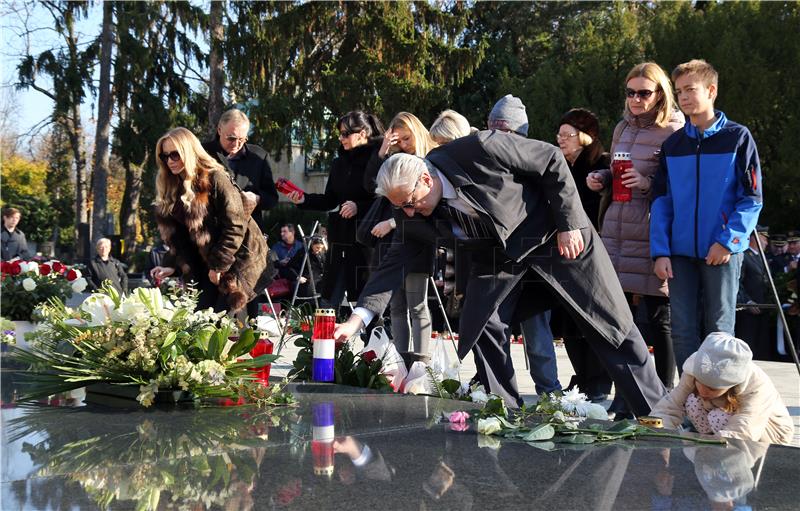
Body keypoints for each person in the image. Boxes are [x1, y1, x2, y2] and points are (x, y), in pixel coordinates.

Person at [334, 96, 666, 415]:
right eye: (399, 207)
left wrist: (570, 224)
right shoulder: (414, 212)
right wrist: (356, 320)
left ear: (425, 177)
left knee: (607, 323)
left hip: (554, 237)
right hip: (499, 259)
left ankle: (656, 414)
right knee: (481, 321)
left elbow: (551, 160)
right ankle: (505, 410)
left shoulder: (480, 148)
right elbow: (392, 264)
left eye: (410, 202)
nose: (408, 212)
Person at [651, 59, 763, 372]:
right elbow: (662, 201)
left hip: (723, 252)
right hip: (680, 253)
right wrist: (660, 251)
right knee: (682, 329)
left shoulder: (738, 138)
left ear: (711, 90)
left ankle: (720, 403)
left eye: (691, 89)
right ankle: (690, 405)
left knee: (720, 330)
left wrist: (728, 242)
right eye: (679, 91)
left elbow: (752, 198)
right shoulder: (673, 144)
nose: (683, 97)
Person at [588, 63, 684, 416]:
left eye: (644, 92)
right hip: (616, 225)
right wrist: (600, 176)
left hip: (651, 226)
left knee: (659, 316)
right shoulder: (621, 128)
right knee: (618, 315)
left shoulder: (674, 129)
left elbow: (675, 184)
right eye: (630, 92)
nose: (636, 99)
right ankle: (625, 392)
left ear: (661, 94)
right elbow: (616, 167)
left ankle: (663, 396)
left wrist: (645, 184)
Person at [150, 127, 271, 313]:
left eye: (175, 154)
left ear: (189, 152)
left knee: (220, 323)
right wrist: (171, 265)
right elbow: (182, 237)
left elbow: (236, 224)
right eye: (165, 156)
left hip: (237, 258)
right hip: (207, 264)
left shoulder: (215, 177)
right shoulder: (173, 186)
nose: (170, 161)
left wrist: (219, 265)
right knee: (202, 321)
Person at [288, 111, 383, 310]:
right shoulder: (339, 163)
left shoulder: (378, 159)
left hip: (365, 241)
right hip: (339, 239)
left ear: (363, 133)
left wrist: (359, 206)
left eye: (346, 134)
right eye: (340, 134)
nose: (341, 139)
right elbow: (330, 199)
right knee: (328, 300)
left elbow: (385, 199)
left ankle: (372, 337)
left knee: (364, 301)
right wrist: (304, 199)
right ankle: (324, 340)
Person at [364, 112, 437, 355]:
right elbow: (372, 186)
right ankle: (401, 357)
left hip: (415, 239)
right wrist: (383, 151)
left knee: (417, 304)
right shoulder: (394, 161)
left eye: (407, 139)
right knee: (396, 305)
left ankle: (421, 359)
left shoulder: (428, 161)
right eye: (399, 141)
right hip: (391, 242)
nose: (405, 145)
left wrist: (391, 223)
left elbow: (421, 208)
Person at [555, 108, 614, 401]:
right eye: (559, 135)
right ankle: (581, 377)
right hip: (566, 254)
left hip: (595, 252)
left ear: (585, 137)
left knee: (593, 319)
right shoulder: (561, 166)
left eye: (567, 135)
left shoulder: (601, 165)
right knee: (570, 322)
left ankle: (599, 380)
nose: (561, 140)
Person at [650, 332, 793, 445]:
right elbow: (671, 405)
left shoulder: (757, 384)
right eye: (700, 383)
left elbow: (745, 427)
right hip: (720, 420)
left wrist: (713, 446)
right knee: (693, 402)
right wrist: (653, 432)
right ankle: (709, 441)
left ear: (731, 386)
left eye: (712, 389)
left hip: (769, 432)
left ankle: (716, 449)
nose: (703, 392)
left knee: (718, 416)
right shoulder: (695, 367)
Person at [202, 108, 279, 232]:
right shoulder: (202, 153)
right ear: (219, 130)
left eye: (242, 139)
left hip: (247, 234)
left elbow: (272, 199)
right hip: (211, 231)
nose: (236, 144)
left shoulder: (259, 156)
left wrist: (257, 198)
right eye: (231, 138)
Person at [735, 227, 771, 360]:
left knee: (761, 347)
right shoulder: (744, 255)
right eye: (764, 238)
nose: (767, 242)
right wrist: (747, 301)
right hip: (748, 311)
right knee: (747, 346)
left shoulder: (761, 257)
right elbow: (737, 282)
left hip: (763, 307)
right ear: (754, 238)